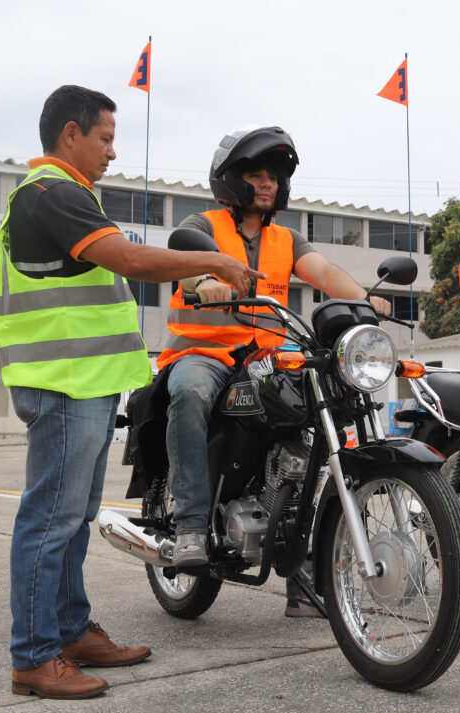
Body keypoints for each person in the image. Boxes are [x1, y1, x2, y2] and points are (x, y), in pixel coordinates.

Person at [0, 86, 265, 700]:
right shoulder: (52, 193)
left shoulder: (65, 196)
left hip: (83, 383)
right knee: (50, 521)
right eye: (105, 138)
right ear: (71, 134)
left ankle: (70, 631)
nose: (112, 152)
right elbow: (130, 260)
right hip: (63, 382)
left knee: (74, 520)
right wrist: (216, 263)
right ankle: (34, 657)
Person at [157, 126, 391, 613]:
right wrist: (206, 280)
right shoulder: (203, 224)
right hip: (204, 353)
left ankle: (299, 566)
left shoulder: (286, 239)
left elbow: (324, 272)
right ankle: (190, 525)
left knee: (313, 422)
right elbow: (184, 261)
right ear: (230, 180)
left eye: (273, 176)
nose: (267, 183)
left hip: (265, 358)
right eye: (255, 175)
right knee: (190, 395)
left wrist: (362, 299)